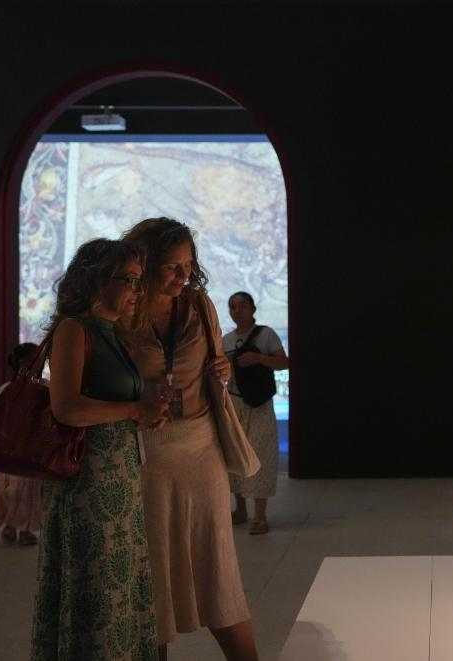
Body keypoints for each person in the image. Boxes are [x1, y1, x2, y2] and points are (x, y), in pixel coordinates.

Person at [122, 217, 259, 661]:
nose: (184, 275)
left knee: (217, 566)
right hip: (146, 453)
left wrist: (223, 370)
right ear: (144, 264)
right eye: (172, 266)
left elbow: (215, 366)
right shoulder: (123, 310)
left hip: (201, 447)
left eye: (188, 264)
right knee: (153, 572)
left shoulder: (199, 304)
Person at [31, 238, 166, 660]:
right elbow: (67, 407)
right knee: (96, 592)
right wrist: (134, 409)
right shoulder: (75, 329)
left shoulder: (112, 331)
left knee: (120, 589)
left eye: (139, 281)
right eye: (129, 280)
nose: (137, 291)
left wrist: (144, 413)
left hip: (119, 480)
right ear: (97, 280)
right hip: (88, 486)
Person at [222, 291, 288, 535]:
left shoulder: (266, 334)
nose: (237, 310)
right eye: (232, 306)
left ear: (252, 309)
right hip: (234, 402)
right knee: (235, 454)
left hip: (259, 404)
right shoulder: (225, 340)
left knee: (261, 455)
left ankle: (260, 515)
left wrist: (259, 358)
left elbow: (284, 363)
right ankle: (240, 510)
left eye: (242, 305)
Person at [0, 342, 42, 546]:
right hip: (12, 446)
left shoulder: (42, 387)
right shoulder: (8, 389)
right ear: (22, 362)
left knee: (27, 488)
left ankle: (24, 527)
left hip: (31, 447)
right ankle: (11, 525)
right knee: (12, 488)